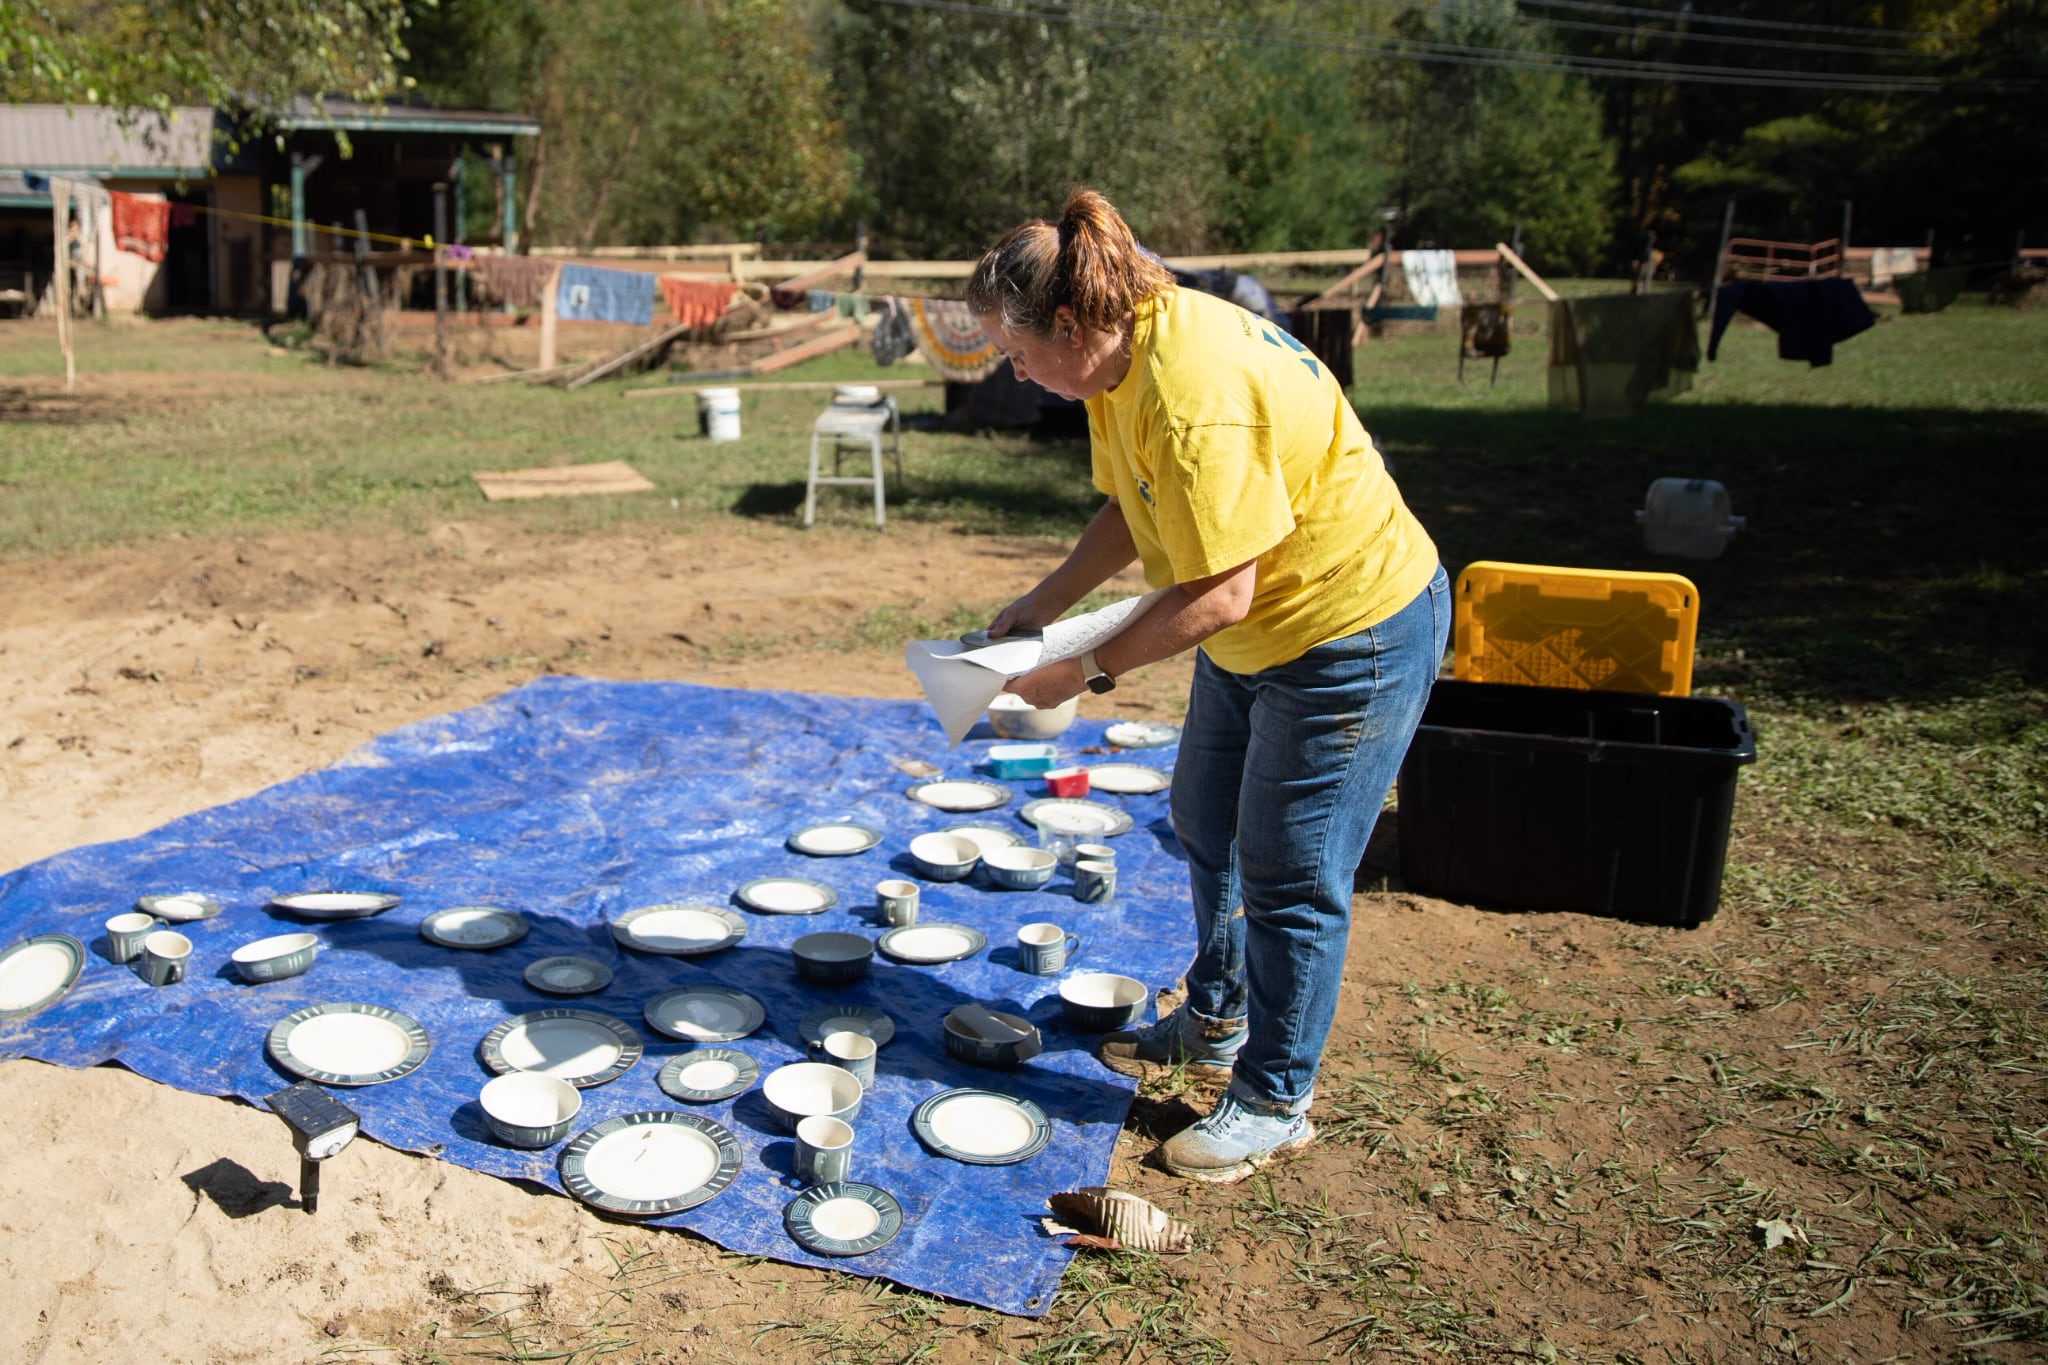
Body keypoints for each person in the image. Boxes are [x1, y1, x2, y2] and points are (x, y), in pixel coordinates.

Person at [969, 188, 1449, 1184]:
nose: (1012, 374)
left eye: (1016, 355)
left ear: (1067, 323)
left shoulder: (1191, 393)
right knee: (1201, 816)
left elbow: (1224, 590)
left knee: (1289, 872)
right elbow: (1130, 506)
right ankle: (1217, 1018)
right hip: (1260, 634)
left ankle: (1275, 1098)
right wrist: (1043, 599)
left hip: (1348, 632)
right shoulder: (1119, 360)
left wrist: (1084, 666)